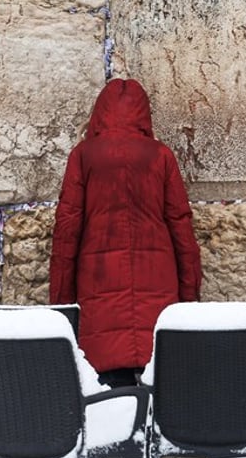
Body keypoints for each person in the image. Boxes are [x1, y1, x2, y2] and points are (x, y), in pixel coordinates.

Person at [49, 78, 203, 388]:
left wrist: (62, 308)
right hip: (159, 306)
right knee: (158, 401)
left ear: (99, 114)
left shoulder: (83, 156)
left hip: (98, 302)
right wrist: (189, 304)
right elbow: (182, 232)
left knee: (107, 406)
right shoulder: (160, 156)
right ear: (144, 115)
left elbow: (66, 236)